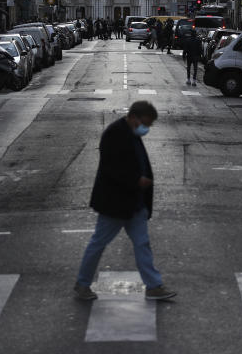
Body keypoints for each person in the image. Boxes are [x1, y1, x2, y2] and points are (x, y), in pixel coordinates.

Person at [74, 101, 176, 301]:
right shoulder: (115, 133)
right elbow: (110, 168)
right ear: (134, 117)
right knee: (99, 243)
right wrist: (137, 181)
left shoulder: (129, 132)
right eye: (145, 123)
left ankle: (154, 286)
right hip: (115, 202)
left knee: (142, 243)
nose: (146, 128)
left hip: (134, 203)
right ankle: (82, 283)